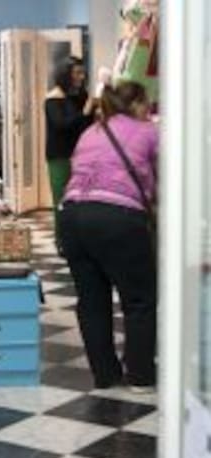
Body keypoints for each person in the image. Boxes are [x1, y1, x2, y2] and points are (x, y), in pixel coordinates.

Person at [59, 81, 158, 392]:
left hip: (71, 216)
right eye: (147, 103)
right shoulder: (149, 131)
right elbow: (170, 174)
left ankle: (105, 375)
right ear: (138, 104)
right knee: (139, 299)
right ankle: (140, 376)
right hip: (118, 217)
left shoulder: (91, 131)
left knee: (91, 300)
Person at [45, 56, 95, 253]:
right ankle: (62, 241)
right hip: (59, 156)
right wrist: (86, 111)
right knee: (62, 200)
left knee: (81, 200)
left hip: (82, 154)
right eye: (77, 73)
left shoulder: (80, 96)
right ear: (66, 74)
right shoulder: (53, 99)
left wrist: (90, 110)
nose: (81, 77)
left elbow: (86, 125)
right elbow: (62, 125)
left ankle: (78, 240)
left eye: (82, 73)